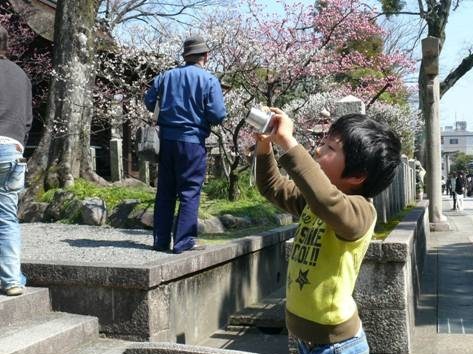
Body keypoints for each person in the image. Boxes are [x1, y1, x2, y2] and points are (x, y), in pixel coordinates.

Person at [255, 110, 401, 354]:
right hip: (307, 342)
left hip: (339, 346)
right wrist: (265, 143)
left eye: (330, 148)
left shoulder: (360, 212)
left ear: (357, 175)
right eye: (322, 143)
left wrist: (289, 143)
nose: (318, 151)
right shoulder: (313, 203)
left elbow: (327, 201)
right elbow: (273, 186)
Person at [144, 36, 227, 254]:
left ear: (185, 56)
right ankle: (183, 242)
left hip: (167, 141)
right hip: (192, 142)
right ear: (205, 56)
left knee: (165, 191)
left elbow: (149, 101)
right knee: (190, 191)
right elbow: (218, 114)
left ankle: (160, 241)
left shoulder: (166, 76)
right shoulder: (209, 80)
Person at [0, 25, 32, 296]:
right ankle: (11, 280)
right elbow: (28, 119)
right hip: (12, 150)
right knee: (7, 218)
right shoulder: (20, 75)